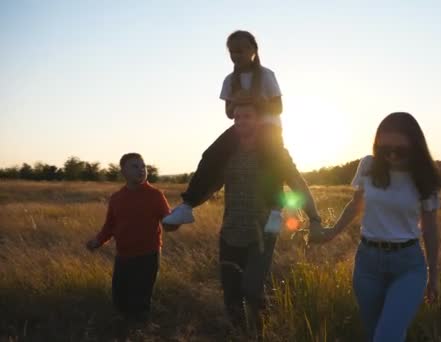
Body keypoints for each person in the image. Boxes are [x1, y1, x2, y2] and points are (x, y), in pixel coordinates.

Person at [165, 103, 323, 333]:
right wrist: (185, 210)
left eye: (247, 116)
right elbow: (209, 185)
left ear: (259, 120)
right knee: (231, 294)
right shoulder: (226, 154)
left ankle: (260, 330)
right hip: (230, 230)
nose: (240, 121)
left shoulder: (274, 154)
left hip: (265, 229)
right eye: (237, 117)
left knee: (251, 289)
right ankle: (241, 334)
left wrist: (315, 218)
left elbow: (298, 183)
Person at [312, 112, 441, 341]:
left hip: (408, 266)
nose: (391, 155)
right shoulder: (369, 165)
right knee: (375, 333)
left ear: (415, 145)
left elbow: (430, 228)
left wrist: (434, 273)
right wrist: (331, 233)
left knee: (387, 336)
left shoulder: (425, 177)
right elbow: (355, 205)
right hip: (367, 263)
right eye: (384, 149)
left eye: (399, 150)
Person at [163, 30, 284, 226]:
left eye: (241, 50)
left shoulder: (266, 75)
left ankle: (275, 211)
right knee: (212, 155)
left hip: (268, 128)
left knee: (270, 160)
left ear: (253, 50)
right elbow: (229, 113)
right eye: (232, 52)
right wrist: (237, 103)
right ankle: (188, 206)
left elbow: (278, 108)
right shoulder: (229, 80)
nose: (236, 55)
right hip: (242, 126)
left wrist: (255, 102)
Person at [85, 153, 171, 322]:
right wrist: (97, 241)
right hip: (123, 256)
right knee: (120, 299)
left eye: (143, 166)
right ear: (123, 171)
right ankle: (124, 331)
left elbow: (168, 221)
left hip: (148, 255)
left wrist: (176, 220)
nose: (141, 170)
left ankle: (140, 331)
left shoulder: (155, 195)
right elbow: (110, 226)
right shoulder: (117, 198)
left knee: (140, 300)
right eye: (135, 166)